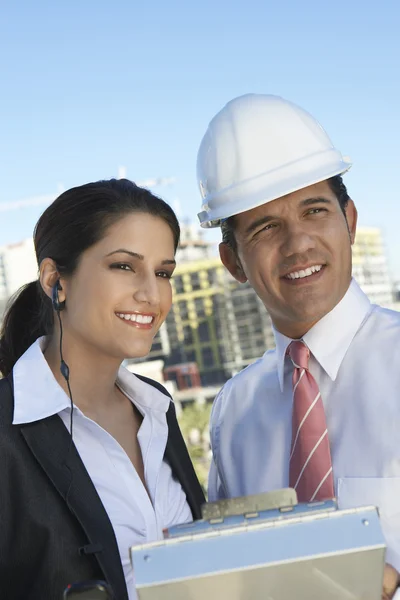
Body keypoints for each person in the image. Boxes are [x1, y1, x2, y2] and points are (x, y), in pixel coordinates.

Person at [196, 93, 400, 600]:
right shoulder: (233, 412)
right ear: (233, 262)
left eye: (314, 211)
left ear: (349, 221)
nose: (298, 243)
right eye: (266, 227)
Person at [0, 178, 205, 600]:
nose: (152, 294)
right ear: (56, 279)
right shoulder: (6, 431)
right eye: (124, 266)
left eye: (163, 272)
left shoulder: (156, 408)